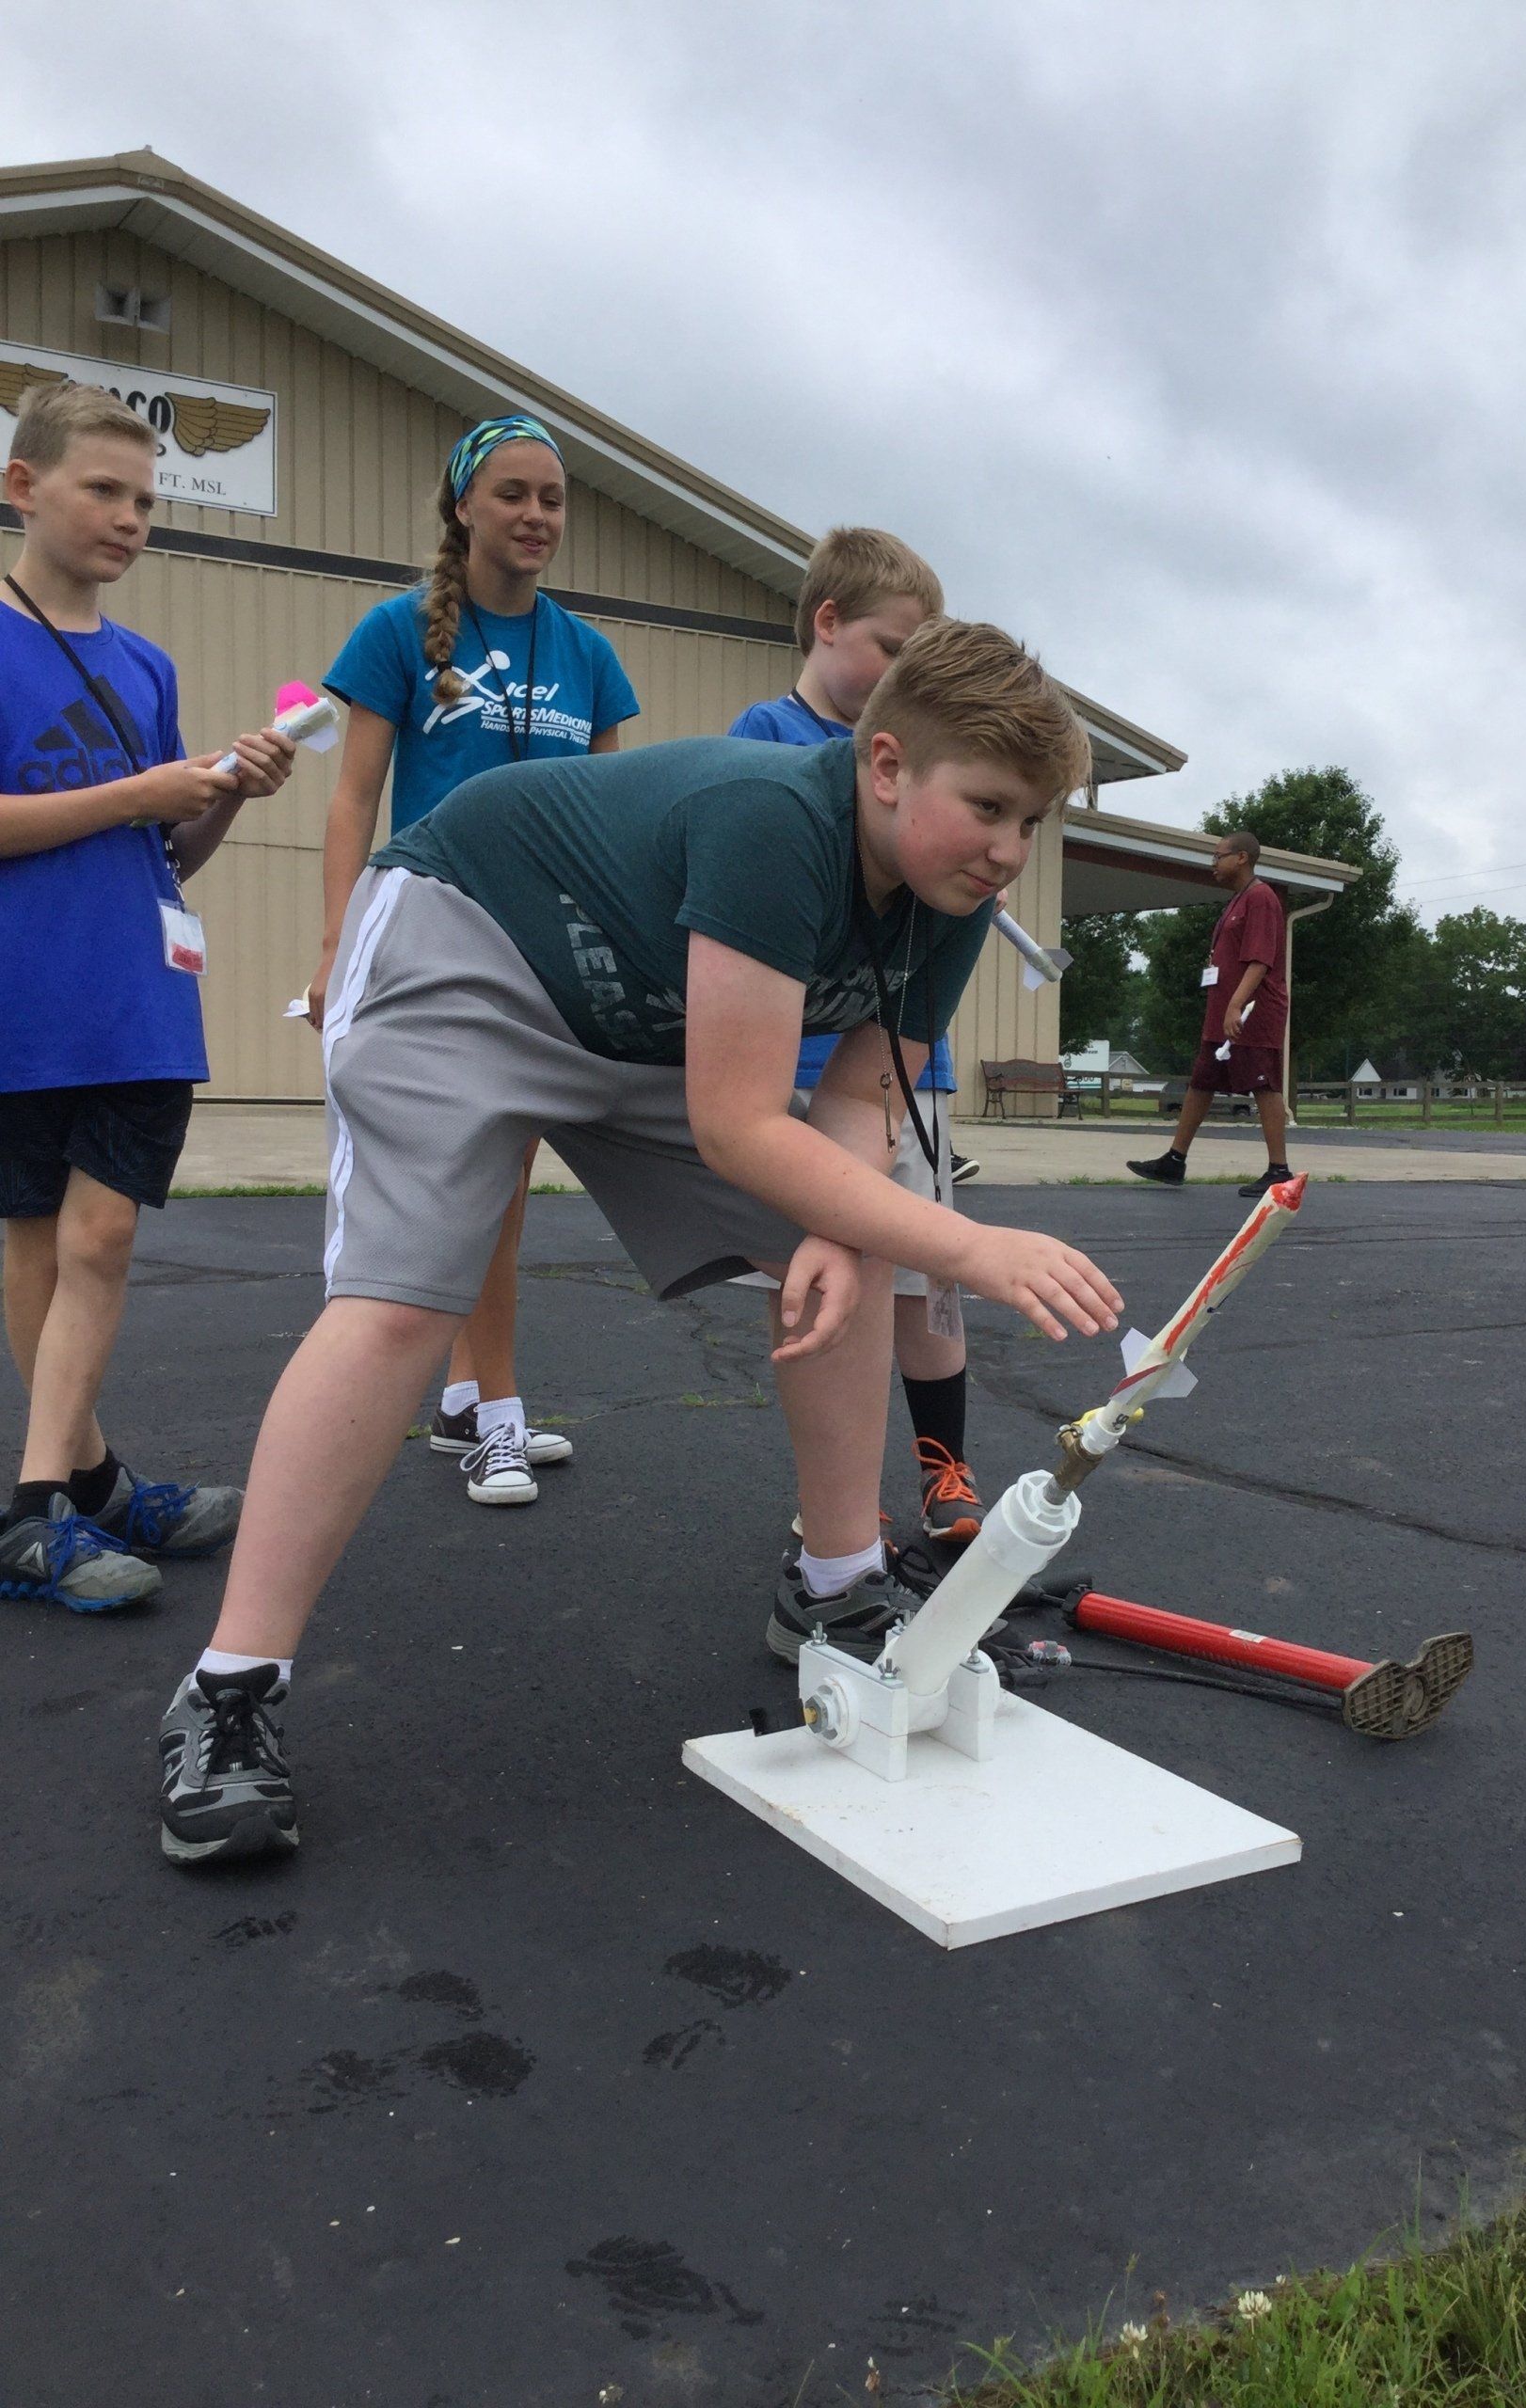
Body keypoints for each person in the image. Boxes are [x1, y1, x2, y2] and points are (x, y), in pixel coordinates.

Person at [155, 616, 1119, 1865]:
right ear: (886, 766)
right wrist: (971, 1247)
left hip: (637, 1020)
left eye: (1032, 823)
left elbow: (865, 1101)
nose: (1009, 849)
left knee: (850, 1243)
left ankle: (833, 1587)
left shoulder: (951, 899)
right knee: (404, 1299)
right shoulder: (775, 817)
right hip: (472, 941)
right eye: (988, 806)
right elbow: (733, 1123)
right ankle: (229, 1689)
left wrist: (847, 1217)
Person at [0, 382, 294, 1610]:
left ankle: (41, 1508)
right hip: (23, 999)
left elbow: (163, 860)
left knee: (100, 1236)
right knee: (31, 1243)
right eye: (104, 491)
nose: (132, 518)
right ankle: (91, 1489)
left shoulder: (148, 666)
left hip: (135, 999)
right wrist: (137, 793)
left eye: (147, 498)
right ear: (23, 487)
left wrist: (219, 792)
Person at [310, 416, 640, 1507]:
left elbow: (612, 824)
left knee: (509, 1181)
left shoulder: (589, 656)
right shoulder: (398, 634)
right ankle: (493, 1410)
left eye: (552, 497)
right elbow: (354, 798)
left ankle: (466, 1397)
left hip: (544, 947)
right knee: (480, 1184)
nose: (537, 515)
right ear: (463, 505)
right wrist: (337, 946)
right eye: (513, 494)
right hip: (436, 940)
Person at [730, 528, 986, 1546]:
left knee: (925, 1283)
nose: (900, 679)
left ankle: (945, 1461)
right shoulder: (766, 737)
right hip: (795, 1070)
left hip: (903, 1068)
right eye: (891, 650)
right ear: (826, 624)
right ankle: (840, 1495)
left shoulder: (923, 762)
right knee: (828, 1288)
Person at [1127, 832, 1294, 1199]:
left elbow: (1260, 960)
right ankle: (1175, 1160)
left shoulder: (1262, 898)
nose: (1213, 864)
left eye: (1218, 856)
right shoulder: (1236, 901)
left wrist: (1236, 1004)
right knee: (1202, 1081)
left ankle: (1278, 1170)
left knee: (1263, 1084)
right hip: (1222, 1013)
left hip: (1252, 1012)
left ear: (1242, 858)